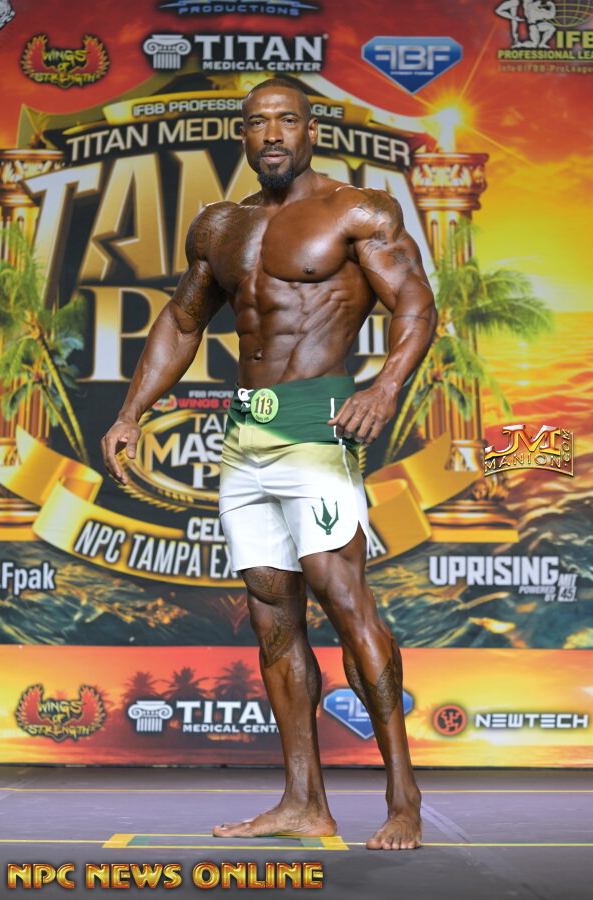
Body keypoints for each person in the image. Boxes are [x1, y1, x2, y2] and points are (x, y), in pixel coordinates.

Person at [102, 78, 437, 851]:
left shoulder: (358, 212)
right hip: (247, 439)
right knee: (272, 616)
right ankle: (303, 802)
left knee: (344, 600)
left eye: (287, 120)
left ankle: (404, 798)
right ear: (244, 136)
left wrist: (385, 387)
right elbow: (183, 320)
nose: (273, 134)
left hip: (318, 427)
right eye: (258, 123)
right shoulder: (221, 225)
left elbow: (416, 306)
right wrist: (130, 412)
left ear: (311, 130)